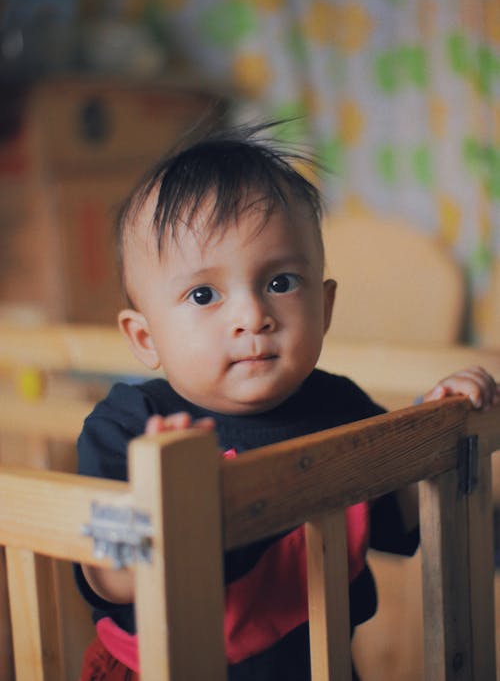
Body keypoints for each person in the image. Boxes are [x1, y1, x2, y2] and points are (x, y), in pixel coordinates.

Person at [75, 122, 500, 681]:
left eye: (280, 283)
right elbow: (104, 577)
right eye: (204, 294)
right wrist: (156, 504)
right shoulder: (130, 425)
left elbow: (403, 511)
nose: (252, 316)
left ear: (324, 308)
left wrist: (433, 427)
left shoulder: (339, 408)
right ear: (145, 339)